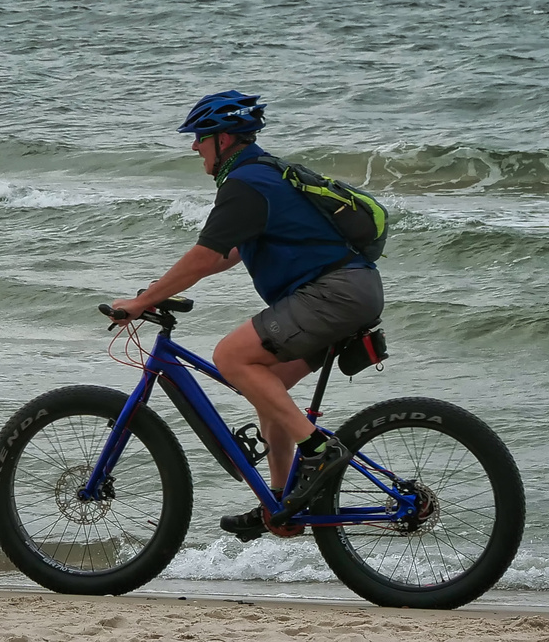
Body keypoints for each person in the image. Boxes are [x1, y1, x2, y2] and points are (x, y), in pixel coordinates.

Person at [109, 90, 382, 540]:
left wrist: (141, 302)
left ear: (225, 138)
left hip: (335, 292)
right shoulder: (262, 175)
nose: (194, 146)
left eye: (200, 137)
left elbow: (203, 255)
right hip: (352, 290)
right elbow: (227, 254)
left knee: (231, 357)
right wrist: (158, 292)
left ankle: (317, 448)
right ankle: (281, 502)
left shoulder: (247, 183)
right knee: (267, 386)